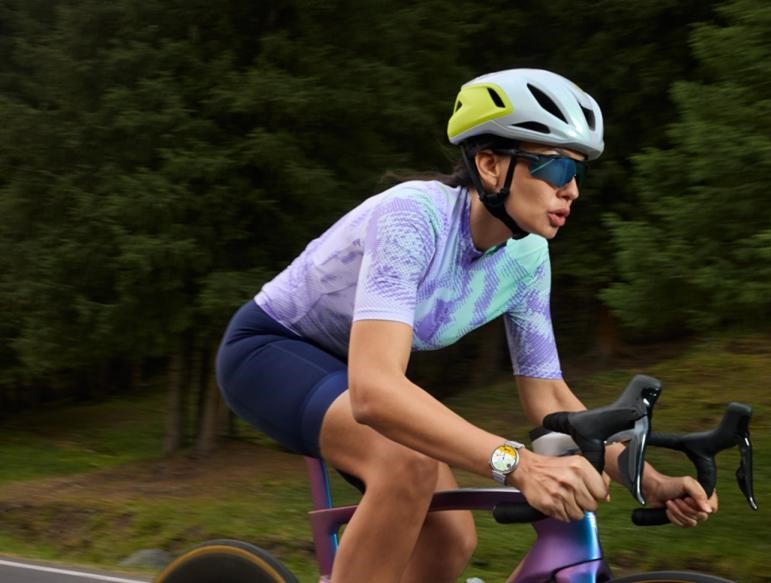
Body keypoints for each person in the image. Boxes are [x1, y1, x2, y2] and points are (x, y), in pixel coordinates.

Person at [216, 68, 718, 583]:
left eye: (578, 173)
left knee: (452, 538)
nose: (571, 190)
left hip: (354, 371)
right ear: (490, 165)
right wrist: (518, 464)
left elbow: (548, 400)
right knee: (406, 466)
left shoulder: (527, 257)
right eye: (555, 167)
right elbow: (373, 392)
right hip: (271, 351)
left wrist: (648, 480)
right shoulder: (413, 216)